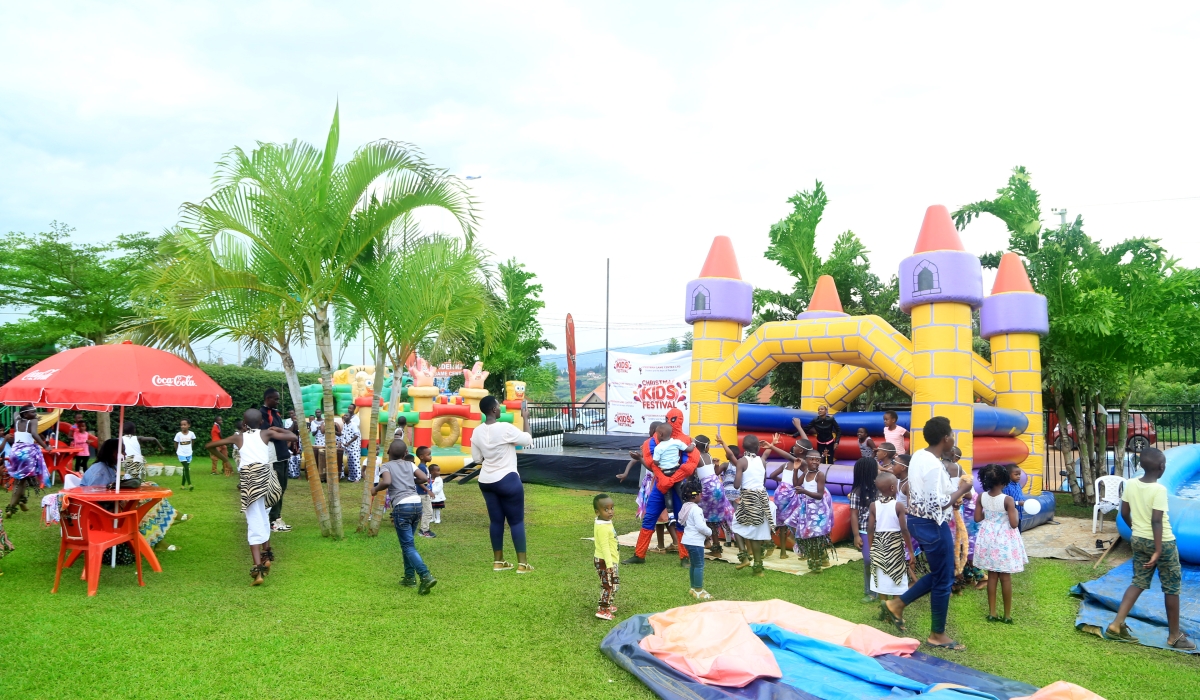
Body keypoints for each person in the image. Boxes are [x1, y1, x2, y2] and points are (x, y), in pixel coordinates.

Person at [881, 417, 975, 650]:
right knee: (944, 579)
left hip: (918, 521)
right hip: (931, 524)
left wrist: (953, 491)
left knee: (941, 574)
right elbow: (937, 504)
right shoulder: (932, 464)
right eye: (951, 434)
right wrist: (962, 489)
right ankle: (937, 634)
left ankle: (897, 605)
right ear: (945, 439)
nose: (953, 438)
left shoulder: (921, 456)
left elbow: (926, 492)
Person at [1104, 448, 1194, 649]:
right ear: (1162, 467)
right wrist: (1159, 549)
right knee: (1171, 587)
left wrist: (1135, 530)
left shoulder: (1131, 484)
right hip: (1163, 543)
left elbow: (1124, 512)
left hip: (1139, 539)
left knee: (1138, 581)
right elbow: (1157, 521)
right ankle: (1174, 636)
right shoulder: (1159, 490)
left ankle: (1116, 624)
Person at [205, 409, 297, 586]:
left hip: (251, 484)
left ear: (244, 423)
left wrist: (224, 460)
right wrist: (274, 429)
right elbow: (292, 436)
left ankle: (258, 571)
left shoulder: (238, 437)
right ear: (261, 422)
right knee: (263, 516)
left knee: (254, 522)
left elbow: (209, 446)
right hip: (268, 482)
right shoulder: (266, 433)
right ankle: (267, 554)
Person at [471, 395, 534, 573]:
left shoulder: (476, 432)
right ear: (493, 410)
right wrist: (525, 418)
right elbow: (527, 440)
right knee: (516, 521)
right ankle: (523, 564)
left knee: (496, 521)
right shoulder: (505, 428)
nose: (500, 409)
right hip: (507, 478)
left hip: (486, 481)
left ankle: (498, 562)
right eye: (498, 406)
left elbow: (477, 458)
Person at [624, 411, 695, 565]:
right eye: (668, 419)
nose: (670, 421)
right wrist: (664, 479)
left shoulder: (684, 440)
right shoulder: (655, 440)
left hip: (671, 484)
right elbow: (650, 461)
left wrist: (669, 480)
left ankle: (685, 557)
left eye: (673, 419)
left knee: (680, 519)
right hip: (662, 485)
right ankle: (639, 554)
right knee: (650, 517)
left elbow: (690, 464)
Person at [373, 439, 437, 595]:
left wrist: (375, 489)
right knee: (408, 543)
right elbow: (423, 478)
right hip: (416, 505)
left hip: (402, 506)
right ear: (405, 454)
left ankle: (425, 575)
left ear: (387, 452)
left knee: (407, 545)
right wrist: (411, 481)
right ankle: (409, 577)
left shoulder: (386, 466)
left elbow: (387, 481)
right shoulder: (410, 464)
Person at [973, 464, 1028, 623]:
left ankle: (992, 613)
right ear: (1004, 481)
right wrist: (1015, 512)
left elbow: (977, 518)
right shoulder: (1008, 500)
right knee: (1005, 577)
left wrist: (990, 519)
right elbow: (1013, 523)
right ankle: (1007, 615)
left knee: (991, 576)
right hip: (1003, 540)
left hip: (988, 538)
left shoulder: (981, 496)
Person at [718, 433, 771, 576]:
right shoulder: (763, 461)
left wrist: (741, 478)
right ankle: (757, 568)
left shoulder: (742, 461)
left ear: (743, 447)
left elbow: (736, 485)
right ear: (759, 447)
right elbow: (763, 482)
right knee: (755, 532)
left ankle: (744, 557)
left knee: (736, 525)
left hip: (748, 498)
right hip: (761, 498)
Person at [868, 472, 915, 600]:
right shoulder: (898, 505)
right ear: (893, 488)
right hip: (894, 545)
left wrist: (872, 547)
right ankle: (894, 606)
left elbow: (870, 529)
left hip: (879, 544)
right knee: (897, 573)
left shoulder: (873, 505)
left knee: (881, 574)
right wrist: (910, 551)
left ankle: (884, 606)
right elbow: (904, 530)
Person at [4, 405, 49, 517]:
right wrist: (46, 446)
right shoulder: (33, 421)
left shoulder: (17, 419)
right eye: (33, 412)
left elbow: (15, 413)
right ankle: (11, 507)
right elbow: (34, 434)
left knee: (20, 479)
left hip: (15, 452)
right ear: (25, 414)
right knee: (21, 481)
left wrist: (23, 414)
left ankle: (22, 500)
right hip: (26, 453)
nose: (35, 414)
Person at [763, 438, 805, 560]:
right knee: (794, 522)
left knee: (780, 524)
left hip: (780, 493)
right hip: (791, 494)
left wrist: (784, 482)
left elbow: (772, 476)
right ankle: (798, 550)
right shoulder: (801, 465)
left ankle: (781, 552)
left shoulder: (785, 464)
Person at [792, 449, 834, 571]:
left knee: (815, 537)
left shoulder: (819, 475)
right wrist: (795, 469)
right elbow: (796, 484)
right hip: (807, 508)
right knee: (797, 527)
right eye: (812, 459)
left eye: (817, 460)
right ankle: (818, 557)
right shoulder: (805, 473)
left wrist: (804, 491)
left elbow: (820, 495)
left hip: (818, 509)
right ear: (807, 460)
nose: (815, 462)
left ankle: (816, 563)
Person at [692, 435, 734, 555]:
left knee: (705, 517)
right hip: (718, 487)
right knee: (712, 518)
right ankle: (710, 543)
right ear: (705, 447)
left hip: (708, 490)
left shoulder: (696, 457)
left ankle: (713, 547)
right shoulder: (708, 456)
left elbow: (692, 474)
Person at [260, 389, 293, 532]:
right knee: (275, 488)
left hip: (283, 454)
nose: (278, 402)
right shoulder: (262, 414)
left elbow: (281, 432)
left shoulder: (276, 413)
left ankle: (276, 517)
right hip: (273, 456)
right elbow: (270, 434)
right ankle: (272, 520)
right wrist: (281, 432)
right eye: (275, 399)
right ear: (268, 398)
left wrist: (280, 431)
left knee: (282, 487)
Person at [848, 456, 880, 602]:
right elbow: (854, 514)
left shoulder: (881, 488)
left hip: (882, 530)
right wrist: (856, 535)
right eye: (876, 468)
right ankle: (870, 591)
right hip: (865, 531)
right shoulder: (857, 492)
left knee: (880, 560)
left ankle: (881, 590)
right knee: (868, 560)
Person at [678, 476, 714, 599]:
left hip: (687, 540)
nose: (701, 495)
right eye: (700, 493)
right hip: (695, 542)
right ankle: (699, 590)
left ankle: (693, 588)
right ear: (695, 495)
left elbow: (680, 520)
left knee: (693, 565)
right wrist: (710, 532)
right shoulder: (696, 509)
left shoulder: (685, 507)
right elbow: (700, 526)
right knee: (699, 565)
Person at [592, 493, 620, 620]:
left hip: (611, 560)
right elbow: (604, 547)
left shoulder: (606, 522)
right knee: (608, 585)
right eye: (606, 509)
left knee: (614, 584)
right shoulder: (602, 527)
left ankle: (608, 604)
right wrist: (609, 564)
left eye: (612, 508)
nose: (610, 512)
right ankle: (603, 609)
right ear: (597, 512)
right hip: (605, 561)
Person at [414, 446, 436, 538]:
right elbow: (419, 481)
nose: (430, 456)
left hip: (424, 492)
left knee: (425, 511)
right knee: (428, 512)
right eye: (428, 455)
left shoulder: (423, 466)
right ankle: (424, 530)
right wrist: (428, 491)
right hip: (422, 493)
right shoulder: (421, 468)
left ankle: (423, 529)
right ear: (422, 456)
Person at [339, 409, 362, 482]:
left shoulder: (353, 425)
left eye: (347, 416)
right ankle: (351, 477)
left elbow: (356, 435)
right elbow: (343, 434)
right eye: (344, 415)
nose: (345, 417)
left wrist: (348, 442)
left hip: (354, 447)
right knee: (350, 462)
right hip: (347, 447)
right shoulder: (345, 425)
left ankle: (357, 478)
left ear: (350, 417)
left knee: (355, 462)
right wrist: (341, 443)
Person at [174, 419, 197, 491]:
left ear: (189, 425)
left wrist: (189, 449)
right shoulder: (178, 434)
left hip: (189, 453)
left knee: (185, 469)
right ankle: (190, 484)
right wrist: (178, 452)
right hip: (181, 454)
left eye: (184, 425)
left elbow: (192, 442)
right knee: (186, 468)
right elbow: (175, 443)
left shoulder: (192, 434)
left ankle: (182, 485)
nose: (182, 426)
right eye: (181, 425)